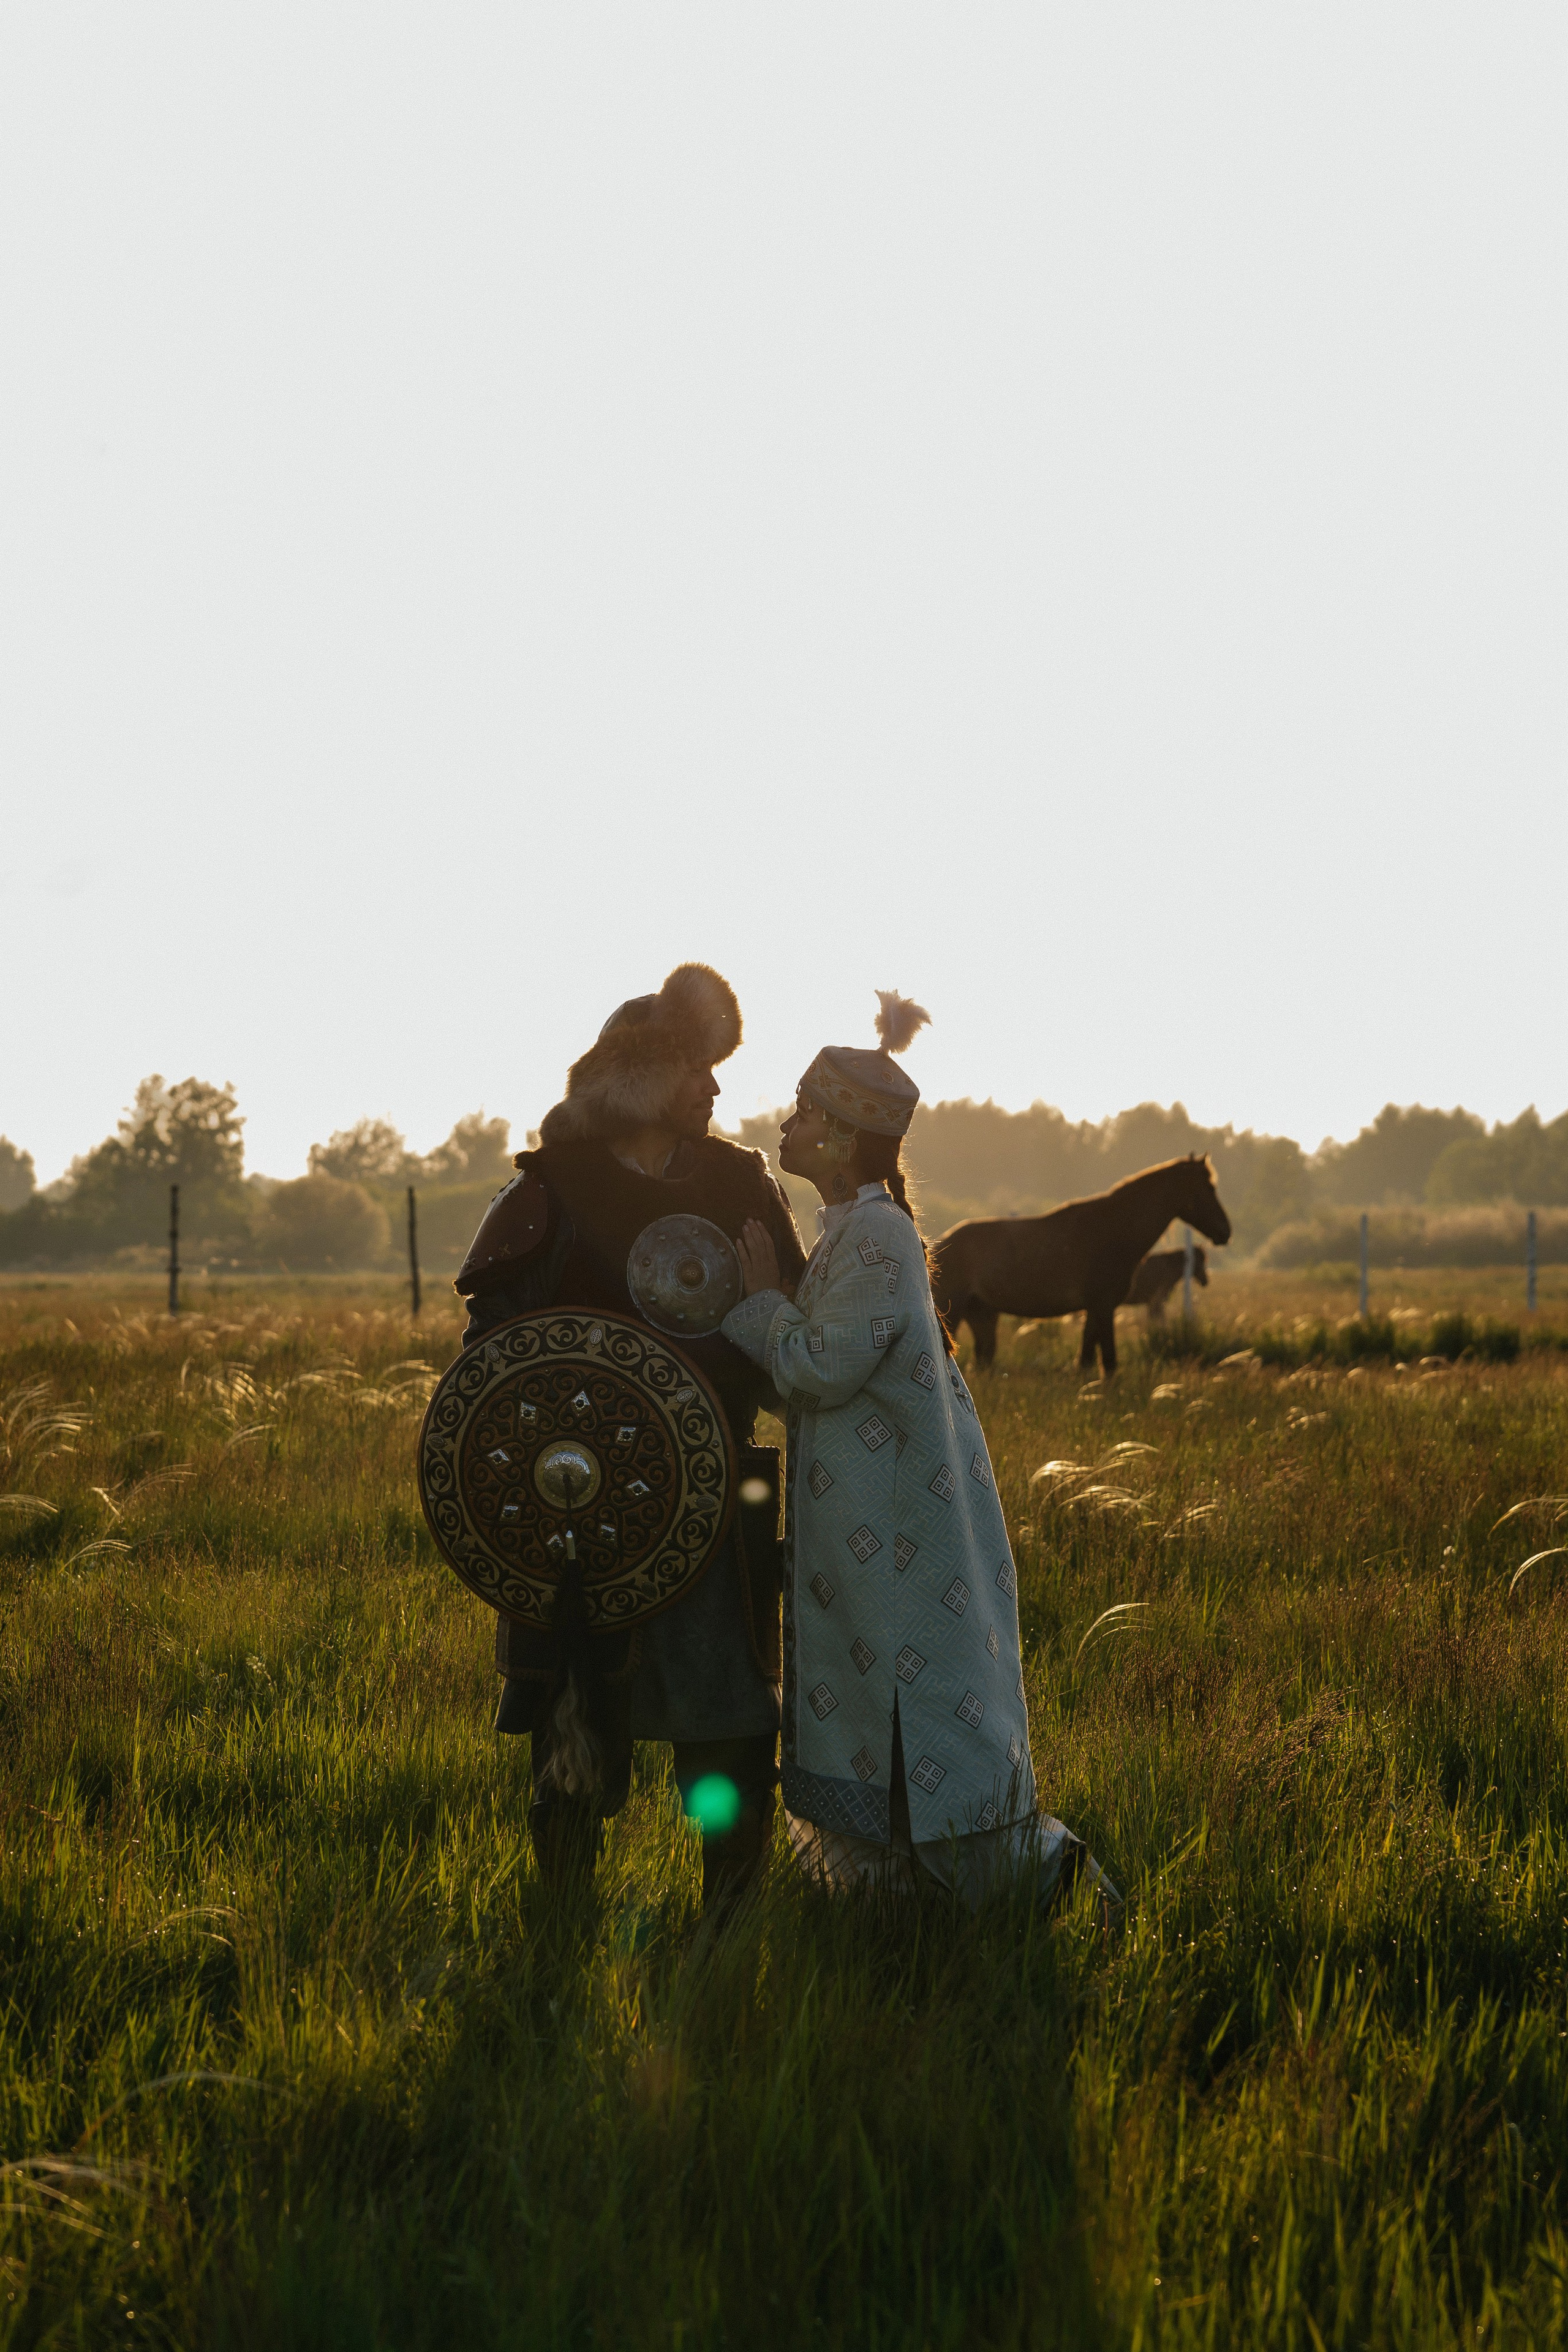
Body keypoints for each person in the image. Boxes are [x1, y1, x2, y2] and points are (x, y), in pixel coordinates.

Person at [720, 992, 1117, 1912]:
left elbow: (817, 1369)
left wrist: (755, 1303)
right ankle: (899, 1906)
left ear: (846, 1137)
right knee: (881, 1707)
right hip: (872, 1530)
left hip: (897, 1535)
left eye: (807, 1112)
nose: (788, 1123)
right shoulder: (855, 1233)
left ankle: (1030, 1892)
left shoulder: (878, 1238)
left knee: (912, 1713)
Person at [454, 963, 807, 1917]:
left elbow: (792, 1354)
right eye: (699, 1069)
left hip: (716, 1493)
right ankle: (565, 1925)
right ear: (649, 1081)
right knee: (573, 1722)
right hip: (575, 1507)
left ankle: (726, 1924)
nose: (718, 1089)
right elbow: (488, 1364)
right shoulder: (550, 1191)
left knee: (729, 1725)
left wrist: (771, 1310)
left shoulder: (740, 1185)